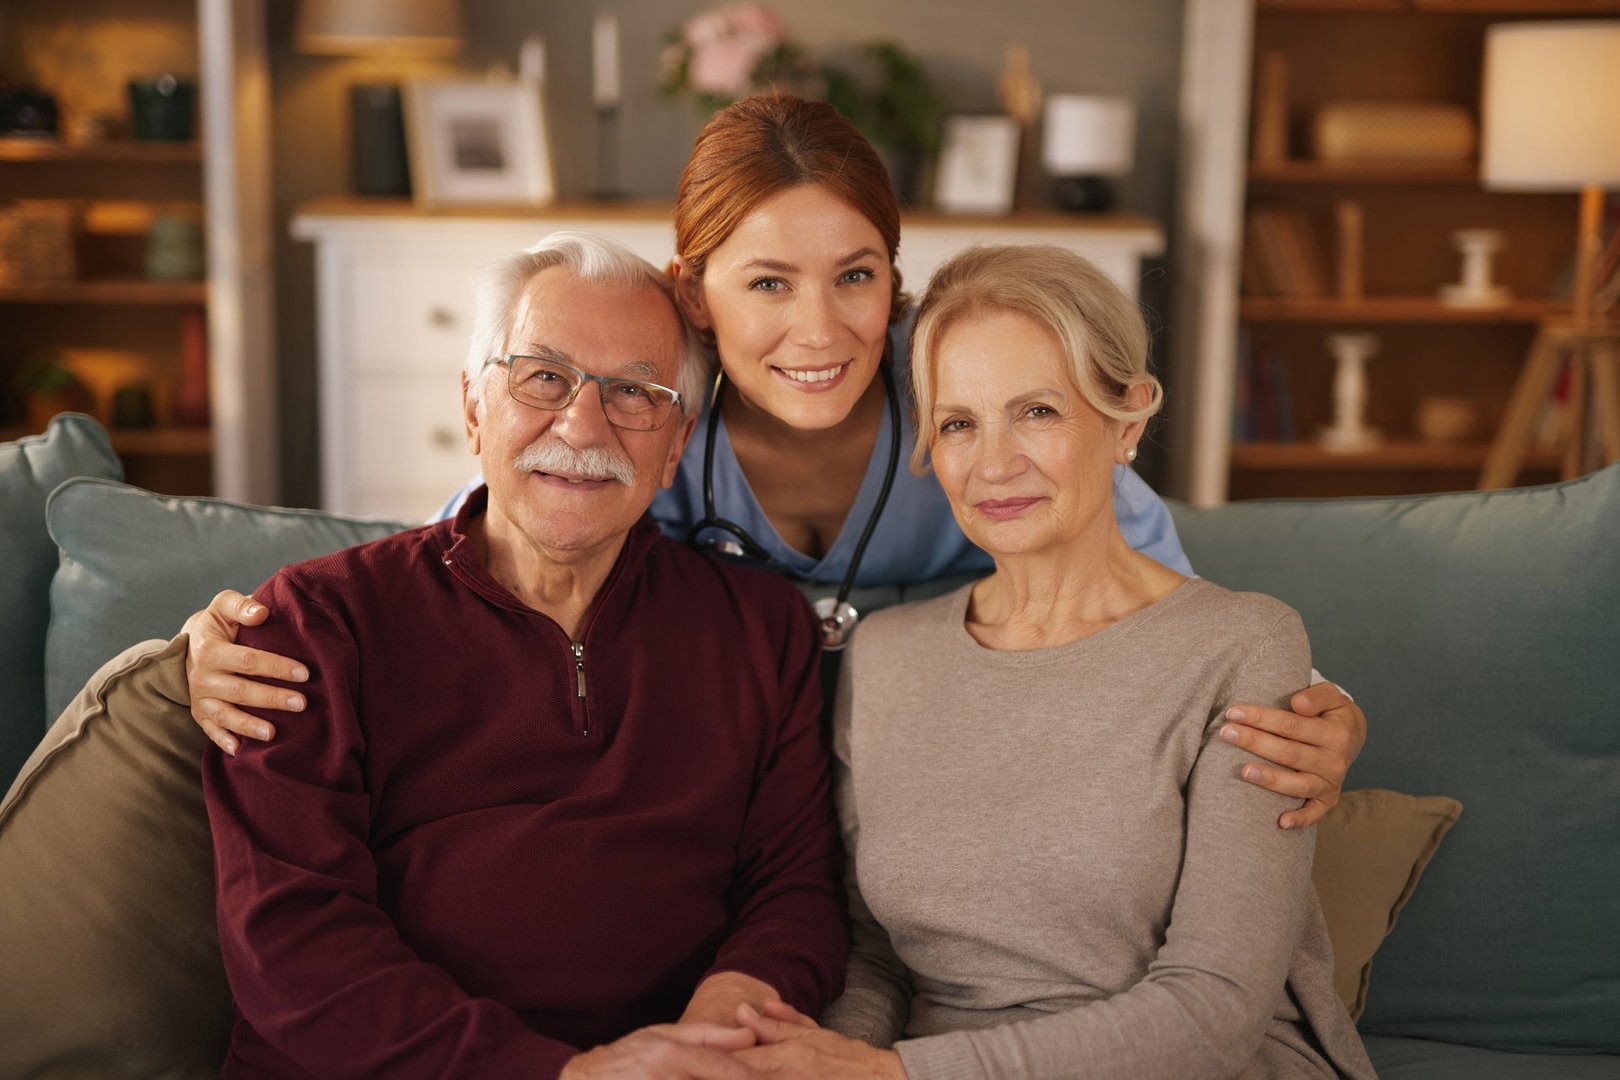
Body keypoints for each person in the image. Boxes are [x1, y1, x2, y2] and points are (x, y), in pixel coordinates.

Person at [184, 95, 1361, 823]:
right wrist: (218, 640)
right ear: (693, 295)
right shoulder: (647, 431)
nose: (821, 330)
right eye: (767, 284)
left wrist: (1320, 711)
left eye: (856, 276)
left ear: (894, 281)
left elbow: (1153, 596)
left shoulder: (965, 411)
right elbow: (466, 559)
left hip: (941, 796)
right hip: (743, 801)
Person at [201, 233, 846, 1078]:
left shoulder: (764, 630)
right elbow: (291, 944)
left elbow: (795, 890)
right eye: (544, 377)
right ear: (473, 407)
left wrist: (721, 1026)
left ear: (676, 444)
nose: (582, 424)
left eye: (633, 394)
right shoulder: (313, 623)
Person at [730, 244, 1377, 1079]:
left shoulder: (1244, 645)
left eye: (1037, 411)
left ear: (1129, 419)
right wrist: (829, 1057)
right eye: (960, 423)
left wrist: (894, 1076)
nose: (994, 464)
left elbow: (1214, 1010)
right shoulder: (885, 658)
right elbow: (878, 958)